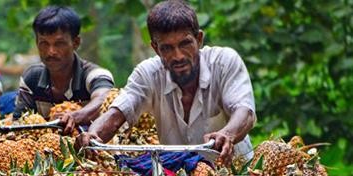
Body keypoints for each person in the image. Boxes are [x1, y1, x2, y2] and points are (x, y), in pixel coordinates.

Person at [77, 0, 256, 165]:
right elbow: (116, 115)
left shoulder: (224, 63)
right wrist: (93, 134)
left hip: (234, 175)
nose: (178, 56)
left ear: (199, 39)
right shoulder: (148, 73)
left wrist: (228, 134)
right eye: (167, 48)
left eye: (185, 44)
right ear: (155, 48)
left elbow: (244, 111)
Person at [13, 6, 115, 135]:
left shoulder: (95, 75)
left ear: (76, 43)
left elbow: (105, 99)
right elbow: (18, 123)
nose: (51, 51)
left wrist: (76, 116)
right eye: (44, 43)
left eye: (59, 43)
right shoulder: (32, 78)